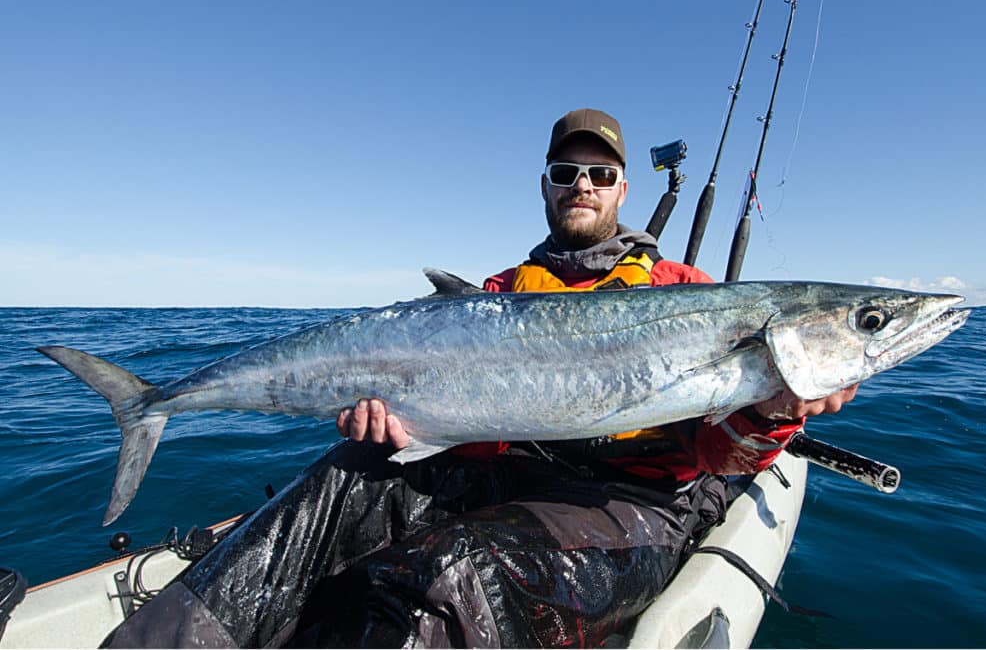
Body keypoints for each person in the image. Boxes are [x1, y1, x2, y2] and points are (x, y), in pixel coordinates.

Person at [104, 108, 856, 648]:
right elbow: (470, 426)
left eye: (602, 173)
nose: (584, 184)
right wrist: (403, 425)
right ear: (547, 186)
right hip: (507, 477)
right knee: (341, 475)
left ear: (623, 189)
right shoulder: (495, 297)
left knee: (458, 572)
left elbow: (717, 459)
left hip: (631, 503)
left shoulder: (690, 290)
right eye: (569, 172)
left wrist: (774, 412)